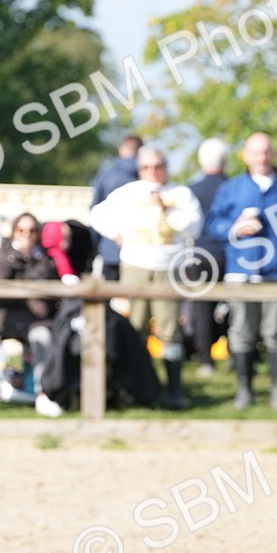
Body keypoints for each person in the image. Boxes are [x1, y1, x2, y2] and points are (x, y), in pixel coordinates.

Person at [89, 145, 203, 409]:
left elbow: (195, 226)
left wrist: (166, 209)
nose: (153, 172)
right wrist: (118, 235)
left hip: (169, 266)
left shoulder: (180, 194)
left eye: (158, 166)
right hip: (136, 265)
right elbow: (96, 215)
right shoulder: (128, 192)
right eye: (147, 167)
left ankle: (174, 392)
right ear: (139, 169)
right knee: (136, 327)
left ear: (166, 167)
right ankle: (138, 388)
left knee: (170, 329)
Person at [207, 132, 277, 410]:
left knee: (276, 332)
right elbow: (212, 224)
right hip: (240, 273)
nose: (261, 157)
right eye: (256, 152)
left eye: (266, 151)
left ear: (273, 154)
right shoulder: (231, 188)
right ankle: (245, 390)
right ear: (245, 155)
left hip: (276, 275)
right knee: (241, 331)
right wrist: (234, 228)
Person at [0, 212, 65, 418]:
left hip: (44, 317)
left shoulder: (45, 257)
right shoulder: (5, 256)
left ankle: (65, 389)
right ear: (14, 231)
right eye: (21, 230)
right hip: (13, 316)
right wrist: (17, 258)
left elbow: (53, 283)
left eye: (31, 230)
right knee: (41, 336)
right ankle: (43, 394)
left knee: (63, 333)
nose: (26, 235)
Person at [186, 137, 229, 378]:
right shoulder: (231, 187)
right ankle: (235, 355)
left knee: (201, 308)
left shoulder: (190, 190)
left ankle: (206, 361)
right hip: (227, 255)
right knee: (235, 305)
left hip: (197, 256)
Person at [90, 134, 143, 280]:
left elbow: (95, 212)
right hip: (139, 251)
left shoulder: (106, 175)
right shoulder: (146, 175)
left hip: (110, 249)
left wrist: (95, 247)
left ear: (122, 150)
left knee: (110, 295)